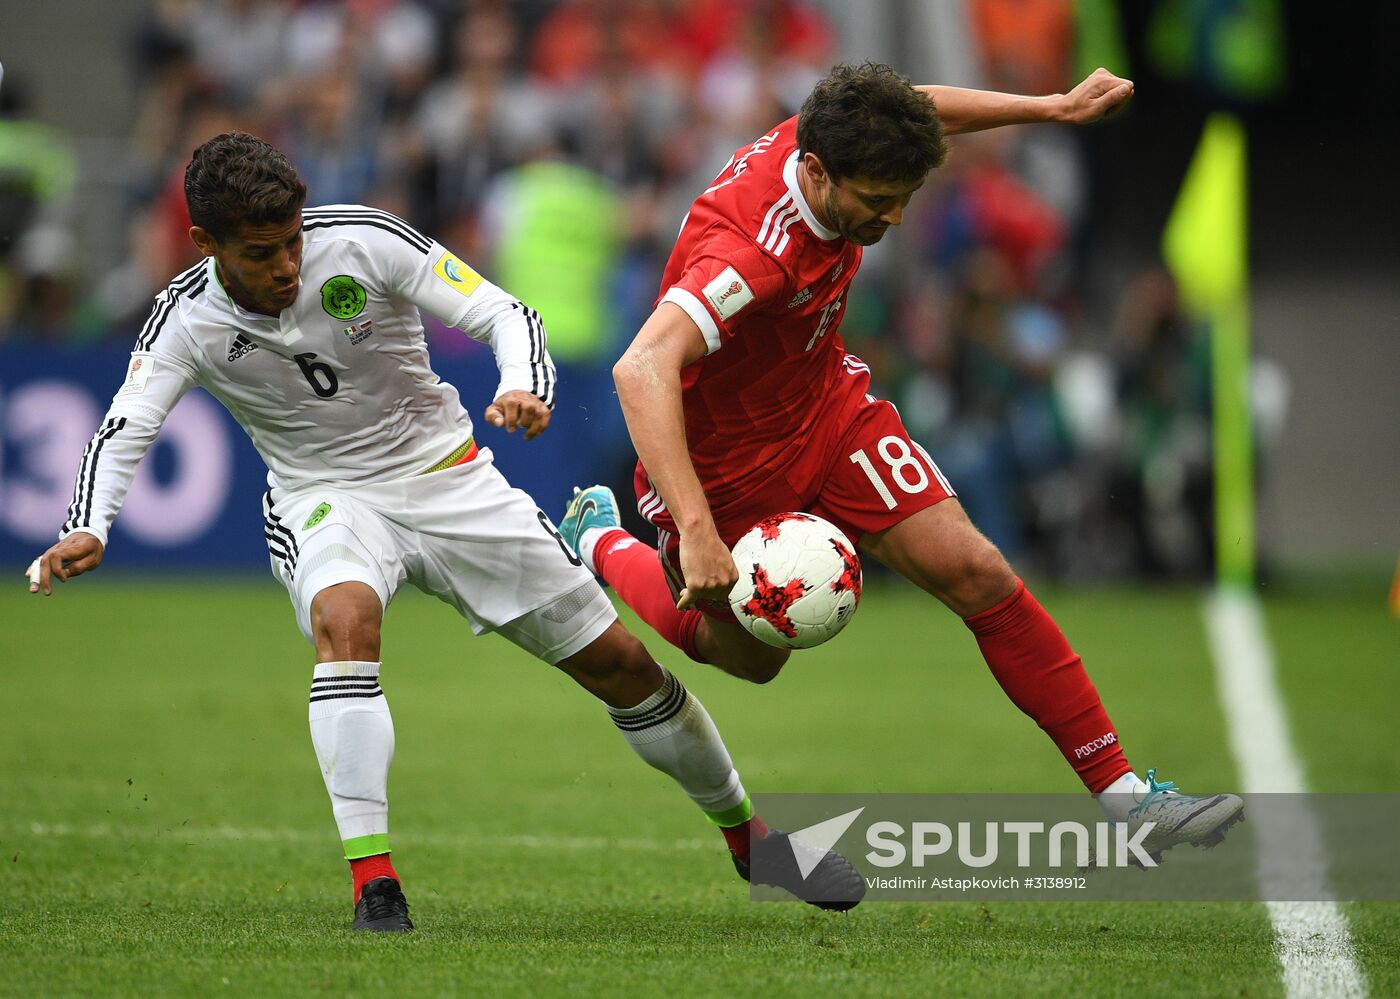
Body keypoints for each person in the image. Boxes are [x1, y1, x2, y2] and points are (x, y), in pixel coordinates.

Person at [23, 132, 864, 931]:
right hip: (326, 496)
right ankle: (374, 883)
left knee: (624, 668)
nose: (286, 266)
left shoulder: (364, 241)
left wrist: (522, 383)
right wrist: (88, 523)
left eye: (293, 242)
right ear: (205, 242)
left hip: (449, 478)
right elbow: (127, 423)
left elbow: (503, 311)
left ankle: (753, 843)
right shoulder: (184, 319)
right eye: (260, 252)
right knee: (345, 620)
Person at [561, 63, 1244, 858]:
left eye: (905, 197)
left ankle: (1128, 800)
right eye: (878, 199)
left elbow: (917, 106)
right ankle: (602, 541)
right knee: (749, 660)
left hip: (826, 413)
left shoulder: (835, 131)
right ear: (817, 172)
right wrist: (698, 528)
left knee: (979, 572)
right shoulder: (751, 255)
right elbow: (641, 366)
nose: (893, 215)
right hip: (725, 470)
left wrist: (1054, 108)